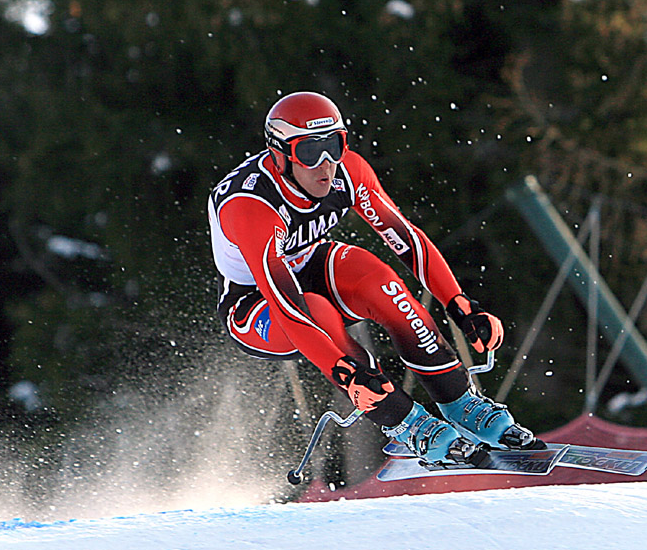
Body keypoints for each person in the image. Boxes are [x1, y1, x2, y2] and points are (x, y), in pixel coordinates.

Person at [207, 91, 541, 465]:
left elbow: (406, 238)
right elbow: (288, 307)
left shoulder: (348, 171)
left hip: (308, 263)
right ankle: (408, 423)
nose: (325, 165)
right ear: (281, 155)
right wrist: (346, 374)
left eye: (334, 145)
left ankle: (462, 403)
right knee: (316, 311)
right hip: (254, 302)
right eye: (309, 152)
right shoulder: (250, 206)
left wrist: (459, 303)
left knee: (378, 279)